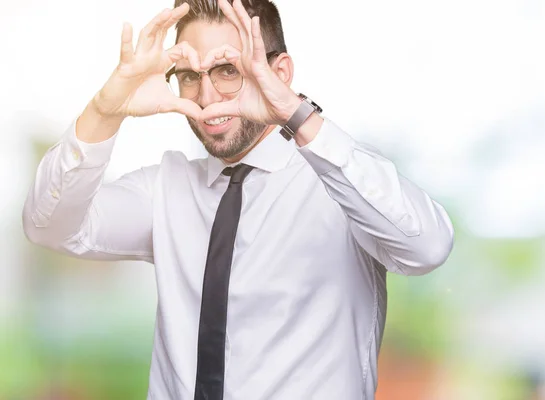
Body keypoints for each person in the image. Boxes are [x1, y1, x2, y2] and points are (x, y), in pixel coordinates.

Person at [22, 0, 455, 399]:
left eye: (228, 69)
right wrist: (106, 108)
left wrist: (295, 112)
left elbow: (427, 247)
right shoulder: (167, 189)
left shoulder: (344, 183)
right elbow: (49, 226)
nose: (208, 96)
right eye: (191, 76)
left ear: (279, 72)